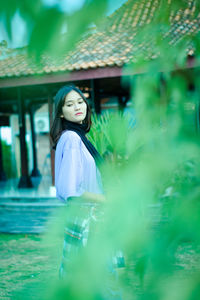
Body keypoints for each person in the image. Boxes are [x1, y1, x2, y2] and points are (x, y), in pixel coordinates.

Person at [50, 85, 105, 277]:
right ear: (62, 113)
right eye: (70, 104)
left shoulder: (78, 137)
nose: (77, 107)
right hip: (86, 219)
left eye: (80, 102)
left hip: (86, 217)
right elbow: (71, 191)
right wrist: (107, 200)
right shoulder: (72, 138)